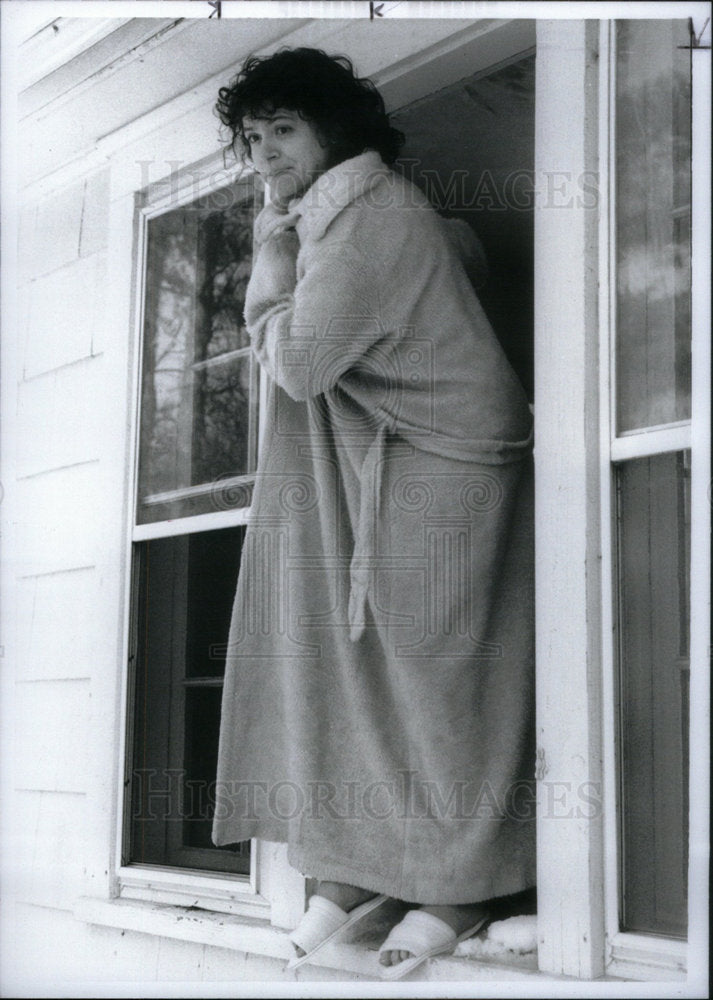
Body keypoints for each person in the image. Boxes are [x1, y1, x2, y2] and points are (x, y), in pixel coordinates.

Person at [211, 47, 536, 979]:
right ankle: (364, 868)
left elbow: (302, 362)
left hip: (446, 464)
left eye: (283, 131)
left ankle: (462, 880)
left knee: (437, 679)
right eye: (252, 136)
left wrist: (268, 259)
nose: (264, 153)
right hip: (395, 456)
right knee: (366, 672)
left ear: (333, 132)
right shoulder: (348, 213)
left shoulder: (365, 218)